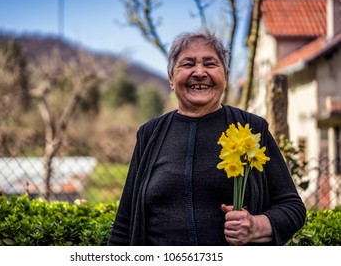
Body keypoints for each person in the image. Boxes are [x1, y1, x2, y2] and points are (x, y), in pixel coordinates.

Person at [108, 29, 306, 246]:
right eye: (188, 64)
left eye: (210, 64)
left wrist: (255, 226)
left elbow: (293, 208)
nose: (199, 72)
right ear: (171, 78)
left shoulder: (251, 130)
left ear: (226, 76)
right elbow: (125, 222)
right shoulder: (149, 134)